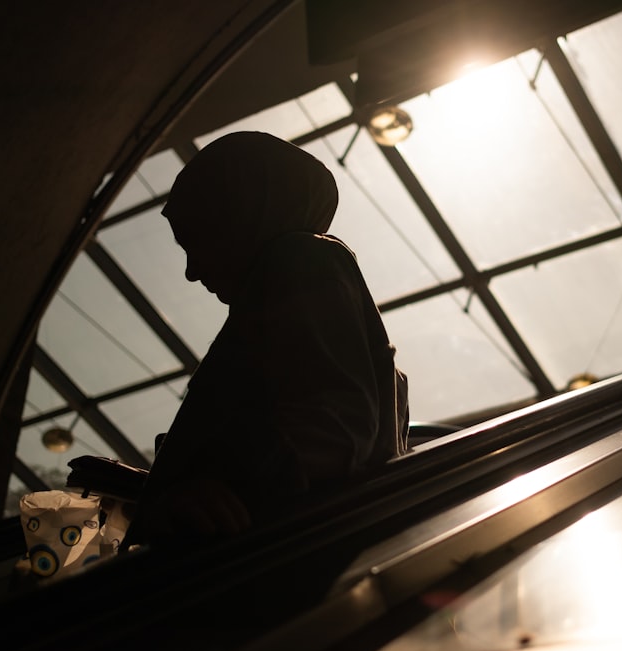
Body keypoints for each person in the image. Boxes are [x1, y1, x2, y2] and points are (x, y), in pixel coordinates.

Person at [122, 131, 409, 547]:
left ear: (240, 212)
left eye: (196, 239)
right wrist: (153, 488)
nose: (191, 271)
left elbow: (334, 428)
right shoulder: (303, 279)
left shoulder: (302, 260)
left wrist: (200, 485)